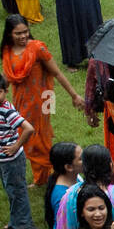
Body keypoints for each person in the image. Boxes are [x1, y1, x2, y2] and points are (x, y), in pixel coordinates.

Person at [0, 15, 79, 188]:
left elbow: (57, 73)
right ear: (9, 34)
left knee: (38, 139)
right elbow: (6, 78)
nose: (23, 36)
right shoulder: (7, 51)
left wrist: (74, 95)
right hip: (22, 102)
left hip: (43, 101)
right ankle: (42, 178)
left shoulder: (37, 48)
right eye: (18, 33)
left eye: (26, 32)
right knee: (29, 138)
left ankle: (56, 174)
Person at [0, 73, 32, 229]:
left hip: (12, 160)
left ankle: (23, 227)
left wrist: (15, 146)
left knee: (18, 194)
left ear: (6, 91)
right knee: (11, 192)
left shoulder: (7, 111)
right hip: (4, 161)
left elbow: (28, 129)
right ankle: (15, 221)